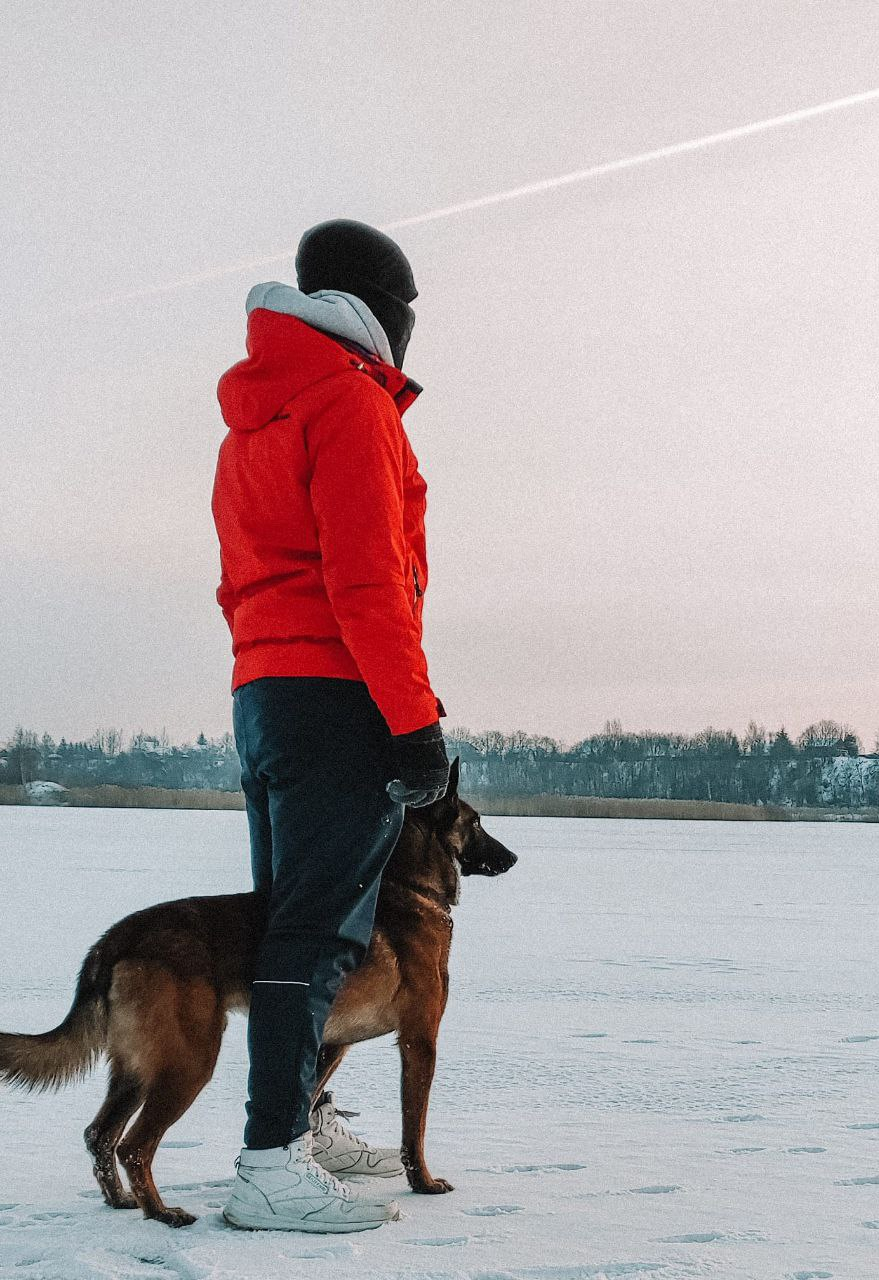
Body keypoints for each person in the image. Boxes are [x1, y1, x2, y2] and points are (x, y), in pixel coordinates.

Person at [211, 219, 450, 1233]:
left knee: (294, 921)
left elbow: (244, 579)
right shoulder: (349, 400)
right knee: (315, 933)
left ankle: (296, 1122)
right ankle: (270, 1158)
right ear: (380, 311)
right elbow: (368, 579)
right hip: (335, 688)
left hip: (265, 689)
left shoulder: (256, 416)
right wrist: (412, 718)